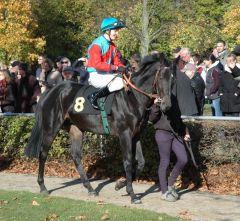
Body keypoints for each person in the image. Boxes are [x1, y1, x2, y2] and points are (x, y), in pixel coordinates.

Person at [148, 95, 190, 202]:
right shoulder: (158, 101)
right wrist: (155, 105)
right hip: (162, 133)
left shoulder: (174, 100)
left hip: (176, 134)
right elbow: (152, 119)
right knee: (165, 162)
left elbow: (179, 120)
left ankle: (170, 184)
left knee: (183, 159)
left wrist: (186, 132)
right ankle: (164, 191)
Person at [87, 17, 127, 109]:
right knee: (120, 82)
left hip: (106, 75)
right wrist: (116, 68)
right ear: (107, 30)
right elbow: (97, 64)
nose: (117, 33)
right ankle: (94, 96)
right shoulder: (97, 44)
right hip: (96, 75)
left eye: (118, 31)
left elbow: (117, 63)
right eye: (115, 31)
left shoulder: (113, 46)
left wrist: (125, 68)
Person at [203, 51, 223, 116]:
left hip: (216, 96)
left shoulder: (215, 70)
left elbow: (217, 83)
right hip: (213, 96)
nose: (204, 62)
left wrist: (211, 91)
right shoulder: (211, 69)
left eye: (205, 60)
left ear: (210, 60)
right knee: (215, 115)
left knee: (218, 115)